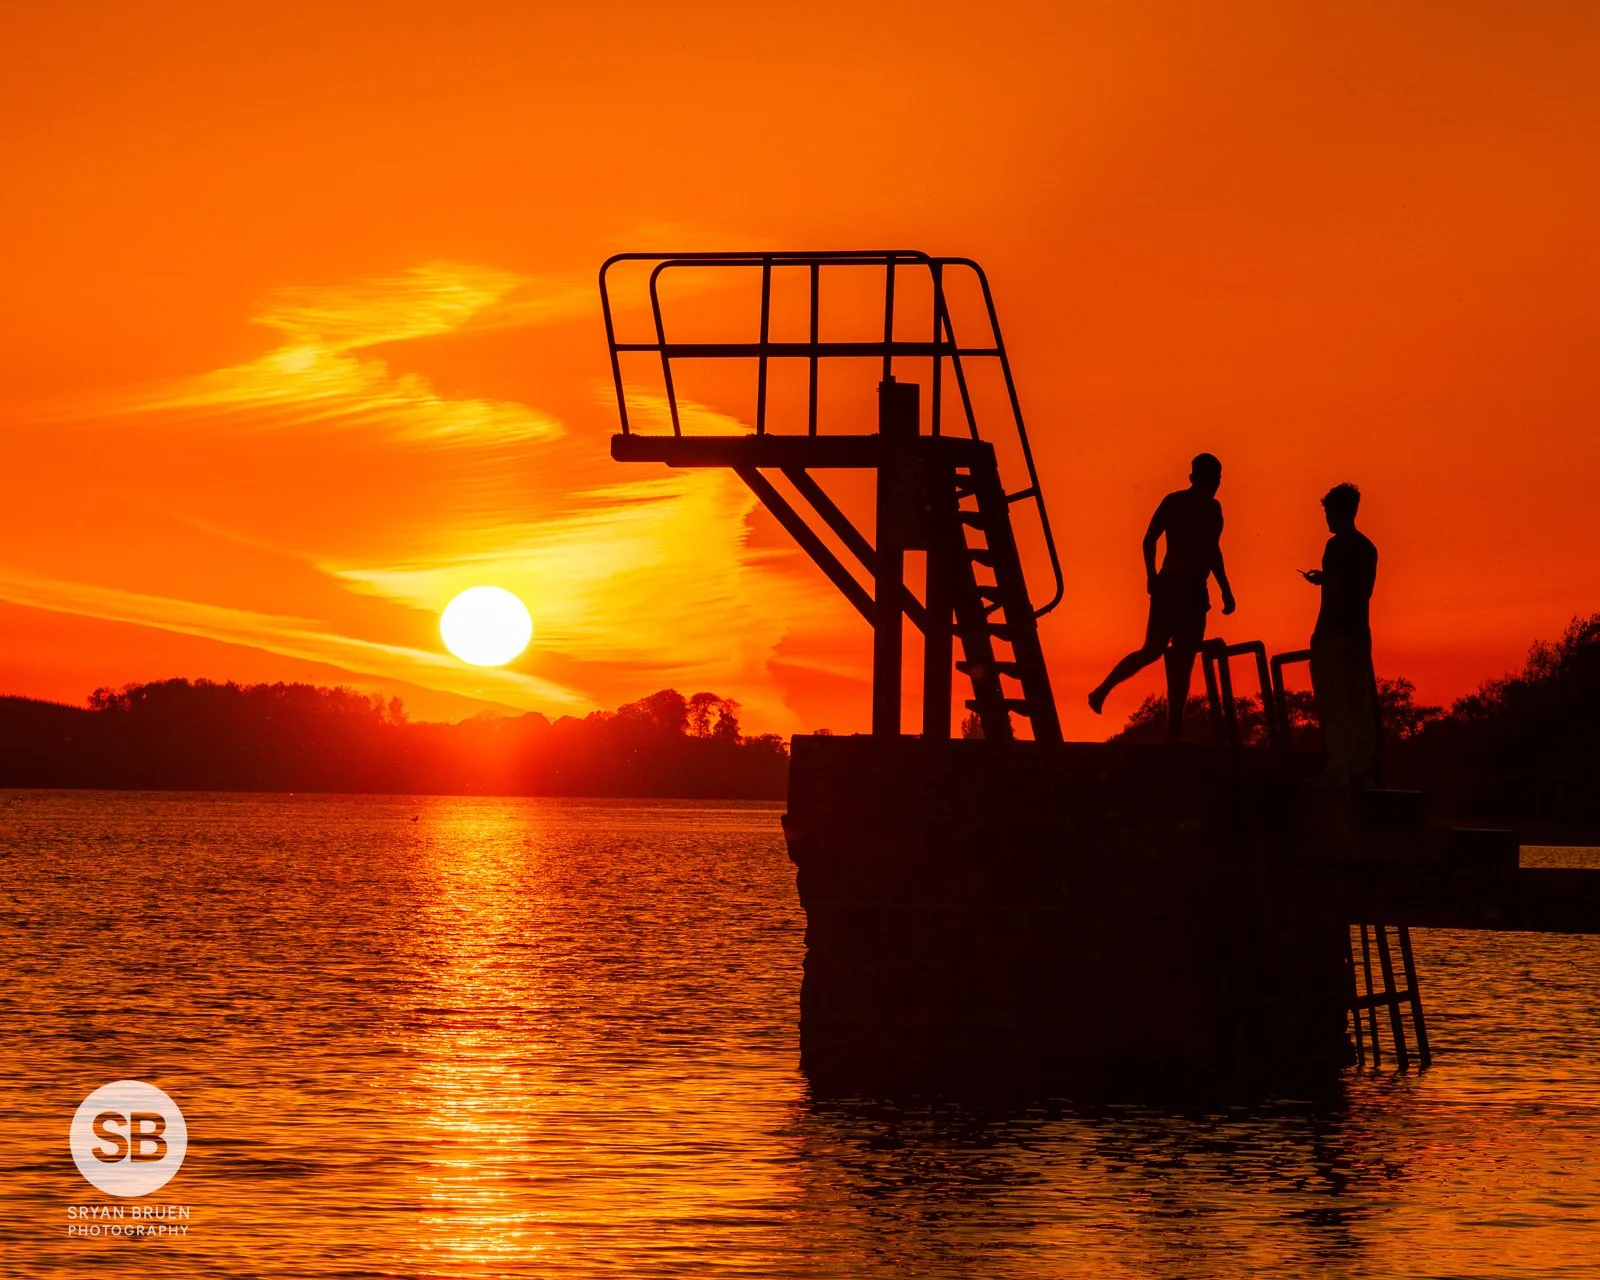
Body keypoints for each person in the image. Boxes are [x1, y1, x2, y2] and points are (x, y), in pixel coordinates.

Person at [1089, 453, 1236, 739]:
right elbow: (1203, 550)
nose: (1215, 486)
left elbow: (1201, 549)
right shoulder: (1197, 506)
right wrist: (1152, 577)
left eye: (1217, 481)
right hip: (1182, 588)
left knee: (1159, 652)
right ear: (1197, 479)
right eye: (1212, 480)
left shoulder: (1186, 504)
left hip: (1177, 586)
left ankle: (1107, 694)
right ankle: (1166, 725)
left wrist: (1154, 577)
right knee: (1172, 654)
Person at [1301, 482, 1380, 786]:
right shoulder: (1367, 548)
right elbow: (1360, 590)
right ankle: (1363, 765)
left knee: (1334, 700)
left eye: (1329, 512)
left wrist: (1327, 584)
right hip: (1360, 632)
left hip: (1333, 632)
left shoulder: (1336, 547)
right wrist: (1328, 579)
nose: (1327, 519)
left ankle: (1339, 764)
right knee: (1359, 699)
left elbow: (1338, 591)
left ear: (1341, 512)